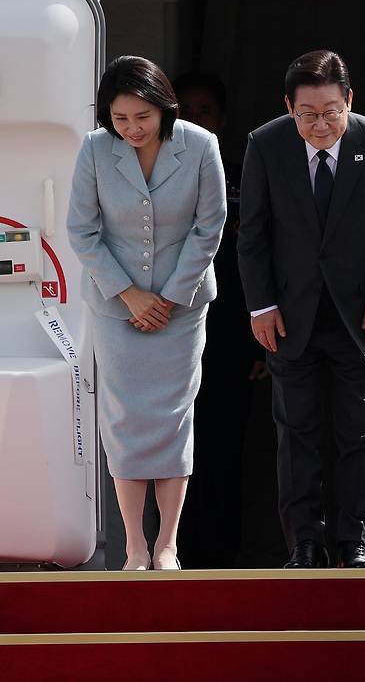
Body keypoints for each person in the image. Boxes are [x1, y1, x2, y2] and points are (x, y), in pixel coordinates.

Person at [237, 49, 365, 569]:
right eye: (308, 114)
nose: (320, 125)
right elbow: (253, 236)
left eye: (331, 112)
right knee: (297, 435)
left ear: (349, 101)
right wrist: (261, 306)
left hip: (363, 319)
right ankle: (305, 544)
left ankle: (356, 543)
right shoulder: (266, 145)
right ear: (288, 108)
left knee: (360, 435)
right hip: (289, 316)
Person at [66, 56, 227, 570]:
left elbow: (210, 226)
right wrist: (128, 294)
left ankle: (168, 544)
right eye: (120, 119)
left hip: (182, 307)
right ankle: (135, 544)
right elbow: (82, 230)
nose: (132, 128)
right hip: (117, 309)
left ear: (164, 108)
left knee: (175, 415)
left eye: (143, 117)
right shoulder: (94, 149)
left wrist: (172, 296)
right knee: (124, 418)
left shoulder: (201, 145)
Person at [172, 72, 262, 568]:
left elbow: (267, 264)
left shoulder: (247, 180)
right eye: (184, 110)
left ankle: (222, 561)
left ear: (222, 120)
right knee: (170, 452)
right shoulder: (152, 173)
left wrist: (262, 344)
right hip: (165, 335)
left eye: (203, 111)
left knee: (225, 452)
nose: (193, 119)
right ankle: (172, 553)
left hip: (232, 341)